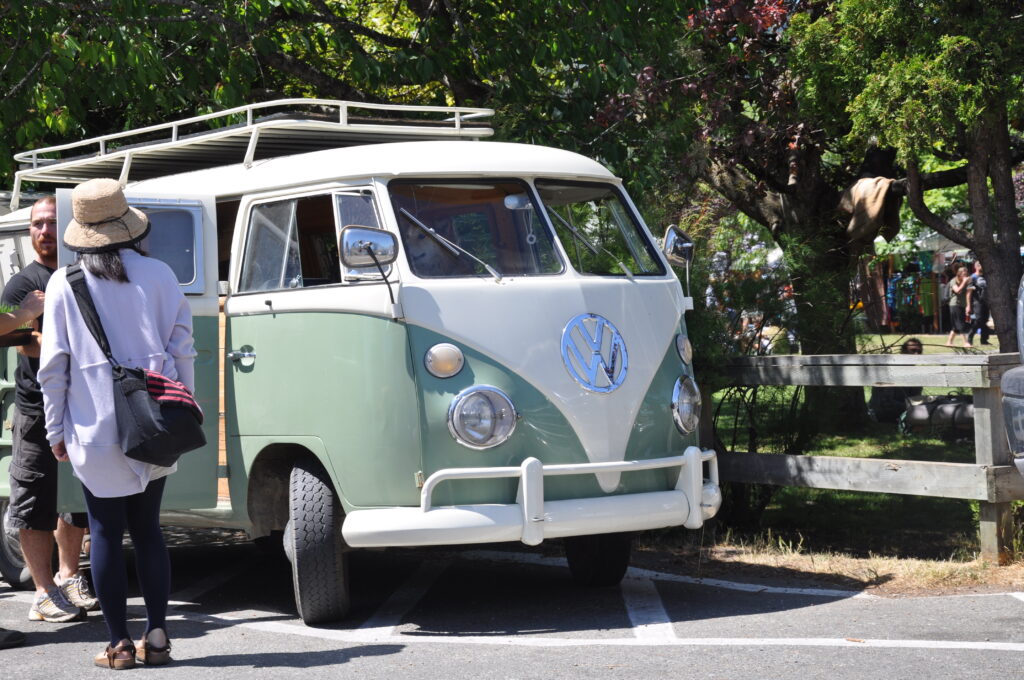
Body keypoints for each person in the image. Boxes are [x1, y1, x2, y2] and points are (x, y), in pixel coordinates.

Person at [38, 178, 196, 669]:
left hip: (93, 426)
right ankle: (159, 636)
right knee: (148, 529)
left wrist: (55, 430)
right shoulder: (160, 274)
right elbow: (182, 348)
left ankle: (119, 645)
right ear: (128, 226)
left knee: (104, 532)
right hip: (154, 420)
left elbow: (53, 366)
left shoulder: (65, 282)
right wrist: (182, 406)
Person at [1, 195, 97, 627]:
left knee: (74, 501)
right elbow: (20, 338)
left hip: (83, 406)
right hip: (36, 410)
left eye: (51, 224)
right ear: (29, 232)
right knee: (34, 500)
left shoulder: (84, 275)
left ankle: (69, 576)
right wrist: (30, 317)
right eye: (37, 224)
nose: (44, 232)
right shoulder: (23, 285)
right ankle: (42, 593)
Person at [868, 337, 924, 423]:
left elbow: (915, 399)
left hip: (902, 411)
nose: (916, 354)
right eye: (913, 350)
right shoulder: (890, 369)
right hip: (882, 413)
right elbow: (886, 402)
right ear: (903, 352)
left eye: (919, 352)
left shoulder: (917, 375)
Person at [945, 265, 972, 348]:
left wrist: (968, 306)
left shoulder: (969, 281)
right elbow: (957, 290)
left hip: (962, 305)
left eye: (966, 274)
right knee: (960, 324)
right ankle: (965, 342)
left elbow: (968, 294)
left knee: (956, 326)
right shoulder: (953, 281)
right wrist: (964, 282)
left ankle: (949, 342)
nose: (965, 276)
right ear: (959, 274)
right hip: (954, 304)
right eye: (963, 274)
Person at [968, 260, 991, 345]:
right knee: (978, 320)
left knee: (984, 320)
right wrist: (968, 305)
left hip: (986, 302)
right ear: (976, 267)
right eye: (980, 265)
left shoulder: (986, 277)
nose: (982, 267)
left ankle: (984, 340)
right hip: (977, 302)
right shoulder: (973, 277)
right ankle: (970, 337)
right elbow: (969, 292)